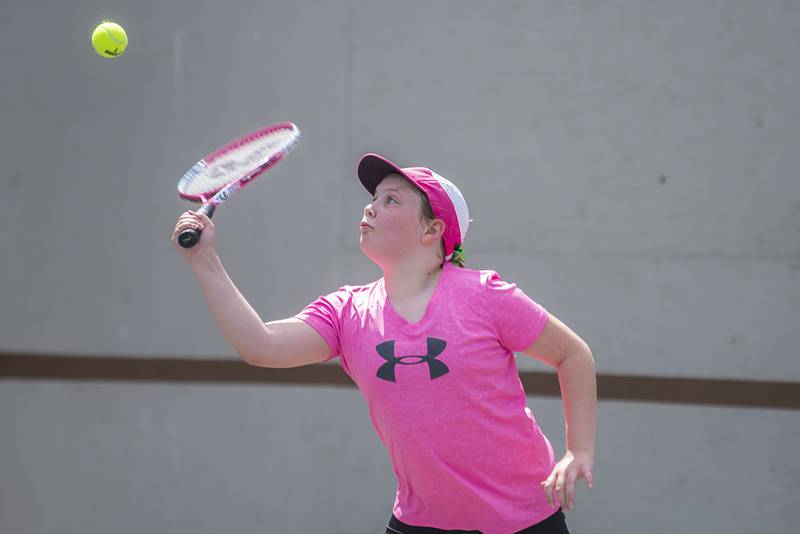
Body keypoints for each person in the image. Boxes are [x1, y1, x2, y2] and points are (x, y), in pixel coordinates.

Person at [171, 153, 597, 534]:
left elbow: (572, 354)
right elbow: (260, 346)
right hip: (421, 522)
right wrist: (204, 259)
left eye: (391, 200)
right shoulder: (346, 312)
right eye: (373, 198)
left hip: (524, 520)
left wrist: (577, 450)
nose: (371, 207)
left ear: (433, 230)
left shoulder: (486, 296)